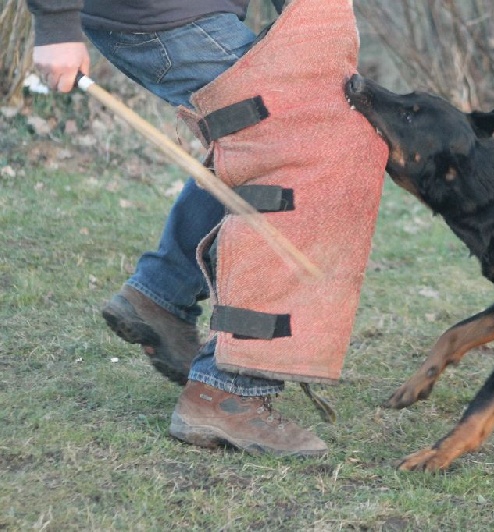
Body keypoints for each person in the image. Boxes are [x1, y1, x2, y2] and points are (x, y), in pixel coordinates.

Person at [26, 0, 328, 456]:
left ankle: (161, 295)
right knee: (291, 154)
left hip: (186, 14)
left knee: (258, 146)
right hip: (168, 16)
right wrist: (55, 22)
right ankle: (228, 390)